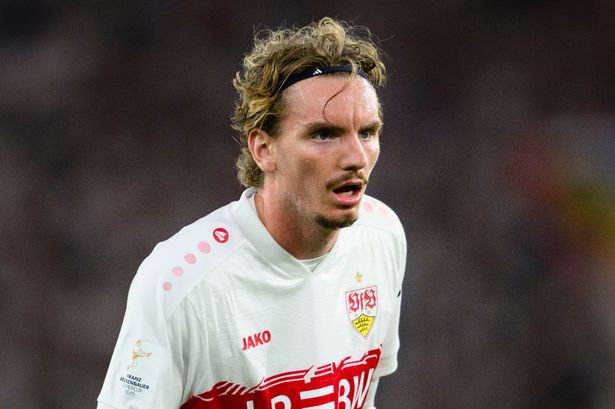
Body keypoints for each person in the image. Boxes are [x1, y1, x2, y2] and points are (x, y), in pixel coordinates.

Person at [97, 17, 406, 409]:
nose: (356, 157)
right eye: (323, 134)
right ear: (263, 149)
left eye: (367, 132)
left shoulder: (383, 237)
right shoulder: (181, 284)